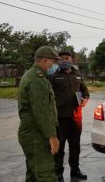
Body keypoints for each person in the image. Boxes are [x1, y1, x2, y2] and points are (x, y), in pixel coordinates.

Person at [18, 46, 61, 182]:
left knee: (33, 175)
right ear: (45, 60)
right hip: (36, 135)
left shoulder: (32, 75)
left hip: (32, 133)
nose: (55, 65)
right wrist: (52, 136)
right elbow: (42, 112)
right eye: (54, 62)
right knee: (46, 175)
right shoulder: (37, 79)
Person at [49, 49, 90, 181]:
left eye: (67, 57)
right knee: (59, 147)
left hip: (76, 118)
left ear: (72, 59)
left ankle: (75, 170)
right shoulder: (54, 76)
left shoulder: (77, 75)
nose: (64, 60)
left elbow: (84, 90)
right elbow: (48, 96)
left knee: (75, 146)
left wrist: (85, 98)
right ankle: (58, 173)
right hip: (60, 118)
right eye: (61, 58)